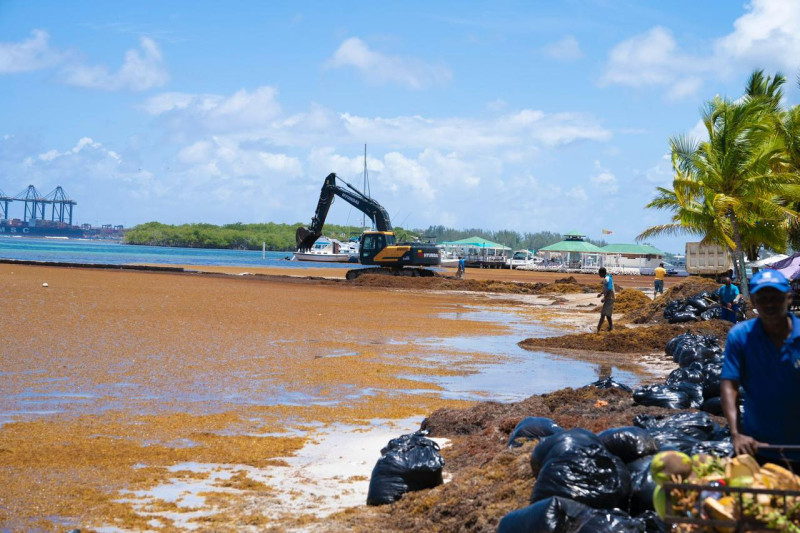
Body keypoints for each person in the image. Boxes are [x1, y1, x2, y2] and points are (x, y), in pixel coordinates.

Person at [721, 269, 800, 469]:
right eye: (762, 298)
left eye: (776, 297)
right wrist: (736, 433)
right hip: (758, 449)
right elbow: (729, 385)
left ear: (788, 298)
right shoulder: (740, 336)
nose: (770, 304)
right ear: (753, 302)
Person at [596, 267, 614, 332]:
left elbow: (609, 289)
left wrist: (604, 298)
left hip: (609, 298)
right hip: (609, 298)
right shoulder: (606, 279)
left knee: (603, 314)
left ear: (602, 273)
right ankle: (611, 327)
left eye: (599, 273)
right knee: (608, 315)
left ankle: (598, 329)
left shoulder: (607, 279)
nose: (599, 274)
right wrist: (601, 293)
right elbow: (606, 289)